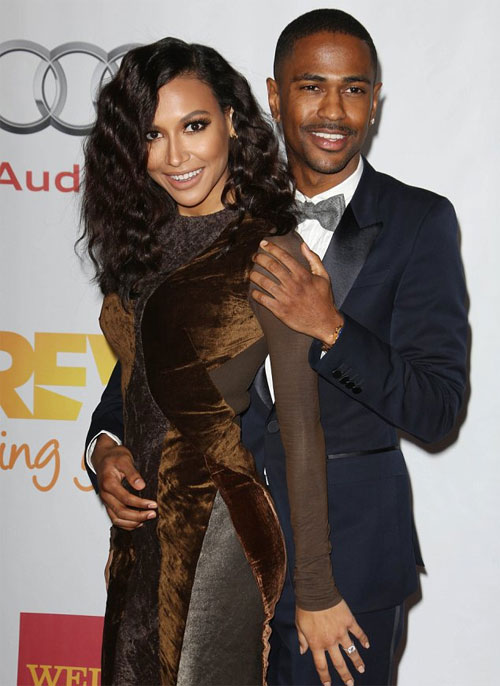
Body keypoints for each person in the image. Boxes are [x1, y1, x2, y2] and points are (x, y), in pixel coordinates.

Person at [86, 10, 468, 686]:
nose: (333, 110)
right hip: (211, 551)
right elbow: (150, 366)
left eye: (354, 89)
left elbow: (437, 408)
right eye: (311, 86)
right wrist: (106, 442)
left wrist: (332, 328)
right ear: (272, 95)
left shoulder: (418, 222)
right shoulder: (206, 207)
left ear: (375, 100)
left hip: (344, 567)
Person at [81, 35, 365, 686]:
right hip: (140, 536)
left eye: (194, 126)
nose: (176, 156)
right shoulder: (140, 245)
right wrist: (105, 451)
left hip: (218, 529)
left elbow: (300, 429)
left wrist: (317, 590)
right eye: (153, 135)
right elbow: (135, 383)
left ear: (232, 123)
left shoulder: (270, 252)